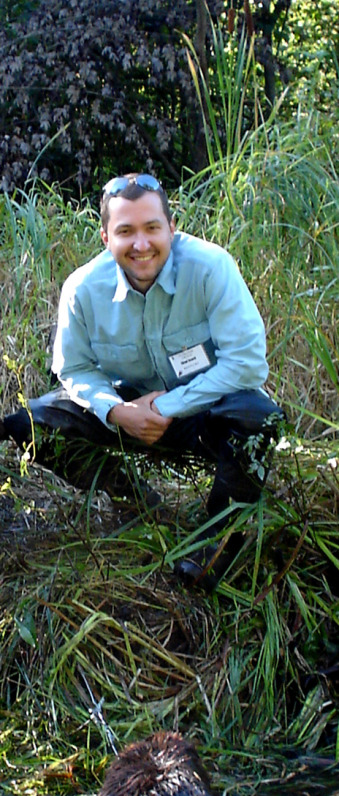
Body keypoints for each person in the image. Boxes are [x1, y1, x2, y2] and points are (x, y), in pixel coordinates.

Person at [1, 173, 284, 590]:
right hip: (127, 413)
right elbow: (73, 369)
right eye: (125, 231)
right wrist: (118, 412)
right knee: (28, 421)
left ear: (172, 227)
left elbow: (246, 365)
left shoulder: (211, 268)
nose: (141, 244)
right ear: (104, 236)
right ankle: (135, 502)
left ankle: (216, 541)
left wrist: (166, 407)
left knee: (259, 416)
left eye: (152, 228)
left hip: (201, 412)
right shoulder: (82, 289)